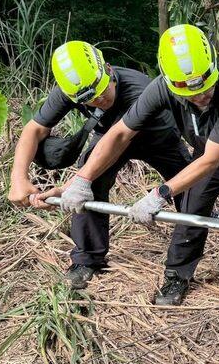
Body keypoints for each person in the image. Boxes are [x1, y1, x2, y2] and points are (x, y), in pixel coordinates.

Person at [42, 24, 219, 306]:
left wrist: (159, 193)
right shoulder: (160, 87)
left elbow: (210, 160)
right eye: (189, 93)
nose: (199, 97)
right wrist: (82, 179)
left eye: (204, 88)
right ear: (170, 81)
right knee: (191, 212)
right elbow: (120, 131)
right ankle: (176, 276)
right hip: (207, 157)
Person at [10, 40, 190, 288]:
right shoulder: (75, 87)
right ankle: (86, 259)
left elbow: (121, 138)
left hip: (157, 136)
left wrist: (76, 181)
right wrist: (18, 178)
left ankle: (195, 224)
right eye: (90, 100)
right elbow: (35, 129)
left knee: (188, 185)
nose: (99, 101)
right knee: (90, 184)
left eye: (102, 92)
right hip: (109, 137)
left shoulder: (138, 88)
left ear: (107, 69)